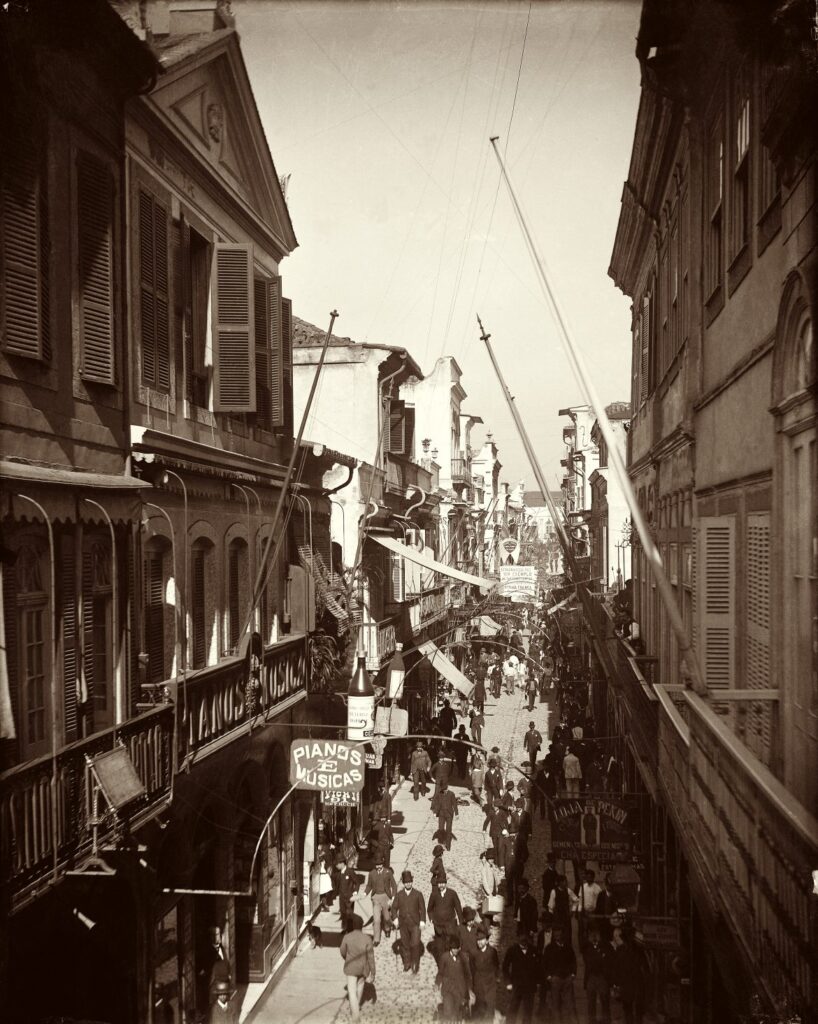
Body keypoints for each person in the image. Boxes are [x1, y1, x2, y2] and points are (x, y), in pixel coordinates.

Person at [339, 913, 375, 1022]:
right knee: (359, 988)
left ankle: (355, 1017)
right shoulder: (367, 939)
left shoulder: (347, 937)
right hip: (363, 968)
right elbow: (371, 957)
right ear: (361, 926)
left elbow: (342, 951)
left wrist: (347, 958)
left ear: (353, 926)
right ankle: (356, 1008)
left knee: (352, 991)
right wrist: (373, 973)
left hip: (351, 968)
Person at [502, 926, 539, 1023]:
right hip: (516, 985)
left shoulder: (533, 950)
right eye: (521, 937)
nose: (524, 940)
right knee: (512, 1010)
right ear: (517, 938)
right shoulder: (512, 950)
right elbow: (505, 967)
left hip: (529, 986)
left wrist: (537, 982)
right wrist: (508, 983)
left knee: (528, 1012)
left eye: (525, 938)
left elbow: (538, 968)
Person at [392, 870, 426, 974]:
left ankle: (415, 963)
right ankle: (407, 962)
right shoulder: (399, 895)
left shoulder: (418, 894)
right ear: (403, 883)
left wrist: (422, 921)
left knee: (415, 944)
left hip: (415, 924)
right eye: (406, 882)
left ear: (412, 881)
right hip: (403, 924)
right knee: (405, 944)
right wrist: (395, 919)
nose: (408, 884)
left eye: (410, 881)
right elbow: (394, 908)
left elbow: (423, 909)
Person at [541, 927, 578, 1022]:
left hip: (567, 979)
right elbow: (544, 963)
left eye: (560, 935)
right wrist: (549, 976)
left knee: (570, 1004)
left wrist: (573, 974)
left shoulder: (568, 947)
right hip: (555, 979)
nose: (559, 937)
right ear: (554, 936)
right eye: (556, 935)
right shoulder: (549, 948)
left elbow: (573, 961)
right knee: (555, 1004)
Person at [610, 926, 644, 1024]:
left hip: (628, 984)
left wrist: (615, 984)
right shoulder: (637, 951)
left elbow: (616, 968)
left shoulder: (622, 950)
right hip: (634, 984)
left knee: (629, 1009)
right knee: (635, 1010)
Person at [436, 934, 472, 1022]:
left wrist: (470, 989)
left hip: (459, 989)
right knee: (448, 1010)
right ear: (450, 948)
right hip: (447, 989)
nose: (456, 950)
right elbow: (440, 972)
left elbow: (468, 974)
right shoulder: (444, 957)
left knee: (457, 1012)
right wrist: (437, 984)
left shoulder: (463, 957)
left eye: (457, 948)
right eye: (454, 948)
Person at [470, 923, 500, 1022]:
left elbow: (496, 966)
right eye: (478, 940)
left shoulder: (492, 952)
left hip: (490, 985)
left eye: (482, 940)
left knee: (489, 1010)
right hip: (478, 985)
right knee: (479, 1010)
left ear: (487, 940)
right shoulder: (473, 953)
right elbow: (472, 969)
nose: (479, 942)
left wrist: (495, 979)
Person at [583, 925, 613, 1024]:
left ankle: (606, 1020)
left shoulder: (606, 946)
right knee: (591, 1001)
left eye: (596, 933)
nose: (594, 936)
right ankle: (592, 1021)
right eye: (591, 934)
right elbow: (587, 961)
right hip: (591, 976)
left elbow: (609, 960)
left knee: (604, 1000)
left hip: (602, 976)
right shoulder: (587, 946)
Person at [364, 852, 396, 946]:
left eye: (380, 864)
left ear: (382, 864)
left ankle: (387, 928)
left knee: (386, 917)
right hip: (376, 898)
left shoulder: (388, 872)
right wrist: (364, 893)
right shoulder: (371, 873)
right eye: (377, 865)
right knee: (376, 919)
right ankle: (376, 939)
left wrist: (393, 897)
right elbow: (369, 886)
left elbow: (394, 885)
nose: (378, 866)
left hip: (386, 897)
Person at [427, 871, 463, 951]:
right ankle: (442, 961)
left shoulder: (452, 893)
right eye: (439, 883)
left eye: (443, 883)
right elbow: (429, 909)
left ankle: (450, 961)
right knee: (440, 946)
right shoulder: (434, 894)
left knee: (450, 945)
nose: (441, 885)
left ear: (446, 883)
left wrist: (461, 922)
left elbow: (458, 908)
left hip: (450, 925)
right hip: (438, 926)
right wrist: (432, 919)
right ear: (437, 884)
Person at [336, 856, 362, 931]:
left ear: (342, 863)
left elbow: (357, 882)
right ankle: (344, 929)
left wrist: (355, 892)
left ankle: (350, 929)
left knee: (349, 913)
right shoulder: (339, 873)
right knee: (343, 913)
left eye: (337, 864)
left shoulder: (350, 871)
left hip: (349, 897)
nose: (336, 866)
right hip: (342, 897)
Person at [578, 869, 603, 944]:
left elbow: (599, 903)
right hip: (584, 913)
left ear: (593, 877)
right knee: (584, 931)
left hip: (593, 913)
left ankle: (594, 947)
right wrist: (579, 912)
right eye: (587, 877)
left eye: (590, 877)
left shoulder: (597, 888)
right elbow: (580, 901)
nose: (589, 879)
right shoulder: (583, 887)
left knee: (594, 931)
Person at [433, 781, 458, 851]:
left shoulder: (451, 794)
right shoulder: (439, 794)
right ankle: (442, 840)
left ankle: (448, 845)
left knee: (448, 830)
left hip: (449, 814)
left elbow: (454, 804)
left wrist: (457, 814)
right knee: (441, 828)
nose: (443, 791)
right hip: (441, 814)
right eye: (443, 790)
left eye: (445, 789)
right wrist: (435, 812)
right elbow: (437, 804)